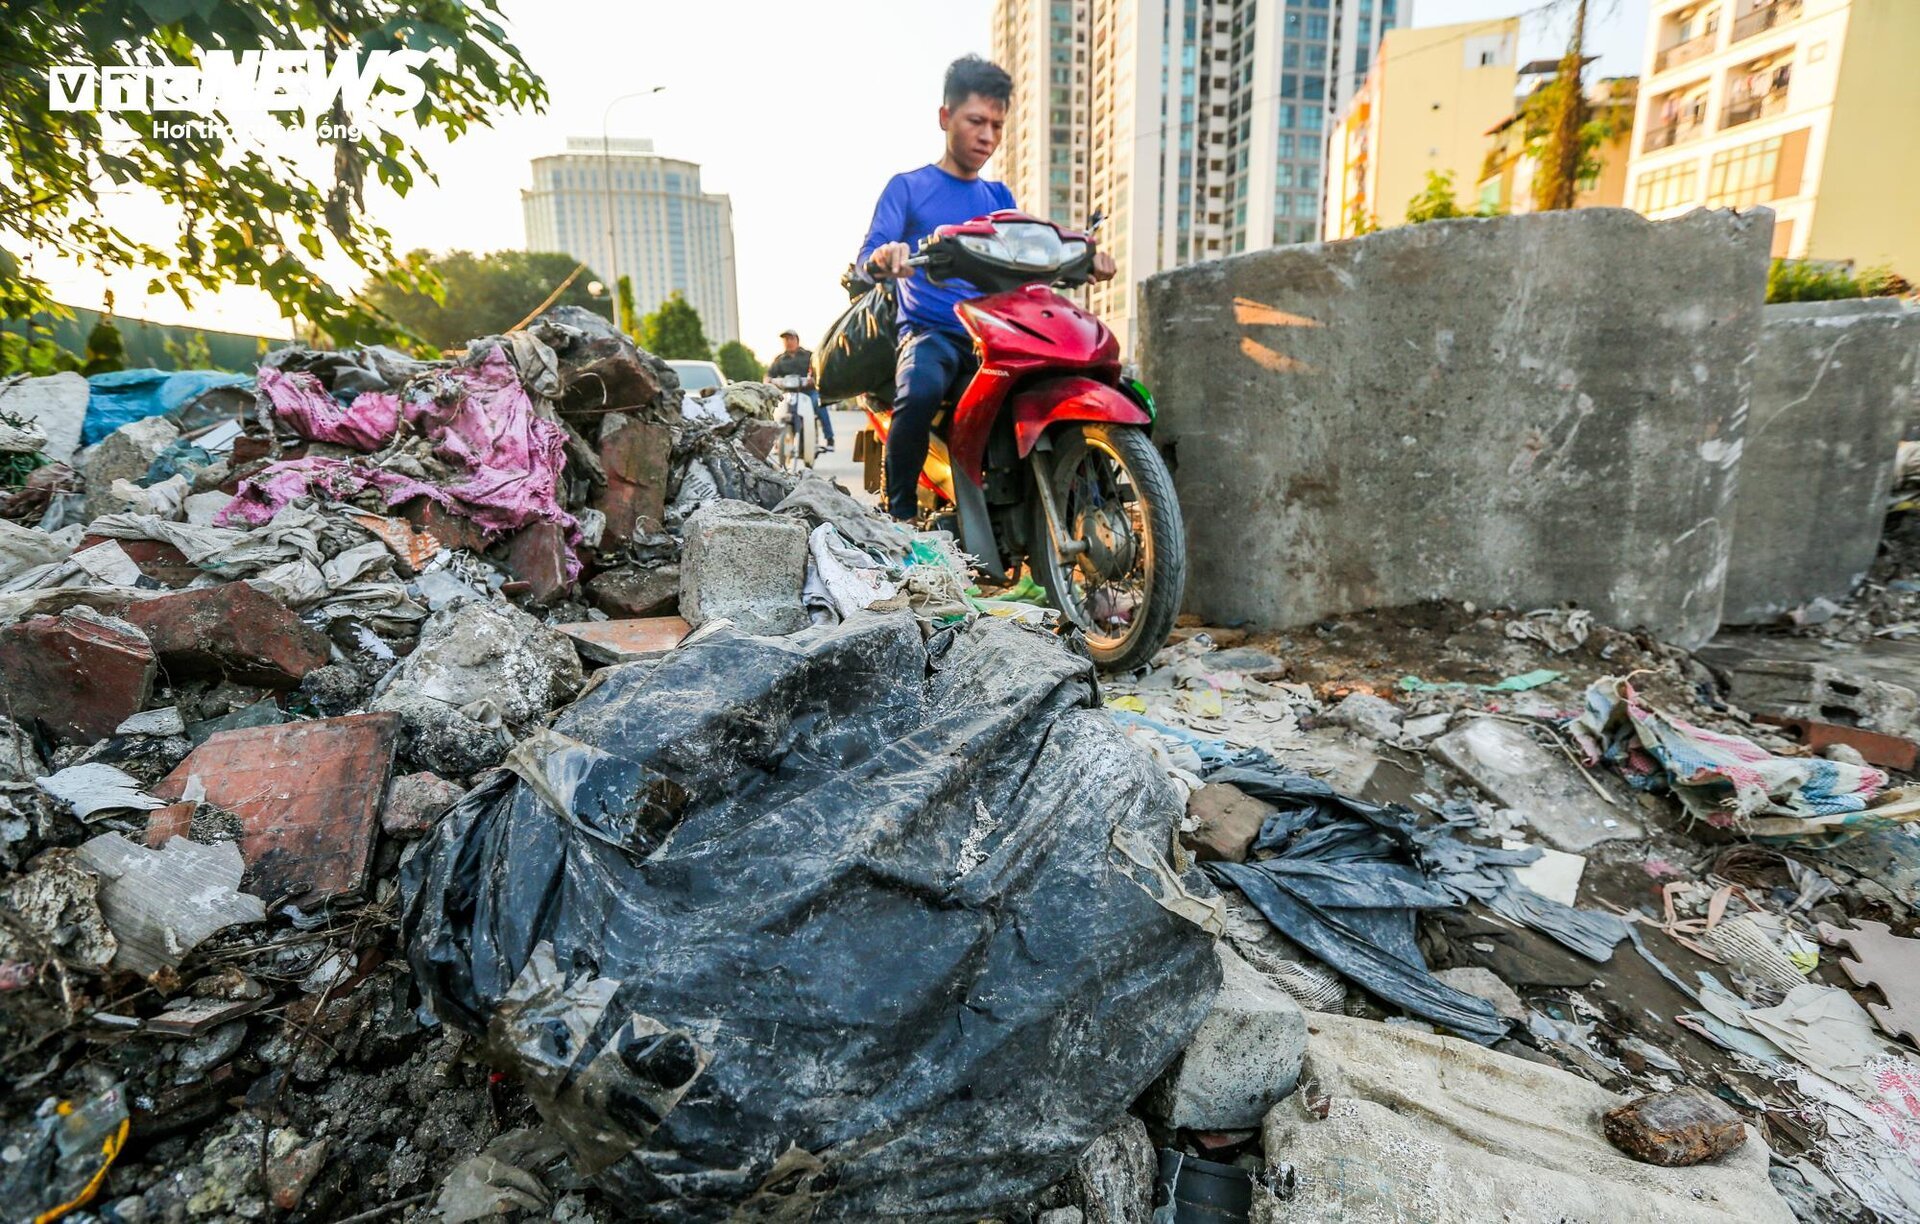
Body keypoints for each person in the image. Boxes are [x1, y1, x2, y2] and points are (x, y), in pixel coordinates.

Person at [857, 54, 1116, 521]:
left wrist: (1085, 261)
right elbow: (871, 251)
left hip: (996, 335)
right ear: (945, 117)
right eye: (977, 121)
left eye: (997, 125)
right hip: (932, 333)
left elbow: (1029, 258)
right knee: (918, 393)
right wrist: (884, 256)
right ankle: (898, 520)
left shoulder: (999, 198)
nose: (988, 137)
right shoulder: (909, 188)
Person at [766, 328, 832, 451]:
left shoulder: (809, 356)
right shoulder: (779, 359)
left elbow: (818, 370)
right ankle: (775, 441)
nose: (788, 342)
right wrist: (768, 381)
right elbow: (769, 375)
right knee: (776, 410)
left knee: (819, 403)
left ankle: (829, 438)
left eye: (791, 338)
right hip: (787, 394)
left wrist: (813, 379)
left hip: (808, 392)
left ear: (797, 340)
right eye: (785, 339)